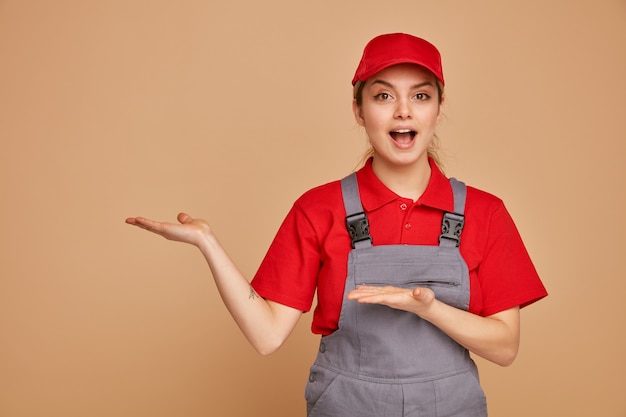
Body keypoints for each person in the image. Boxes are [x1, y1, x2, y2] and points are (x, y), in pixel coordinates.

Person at [126, 33, 548, 417]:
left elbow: (505, 347)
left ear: (439, 109)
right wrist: (207, 243)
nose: (403, 111)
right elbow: (267, 336)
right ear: (359, 111)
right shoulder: (319, 208)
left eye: (420, 96)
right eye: (383, 96)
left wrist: (430, 308)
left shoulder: (484, 212)